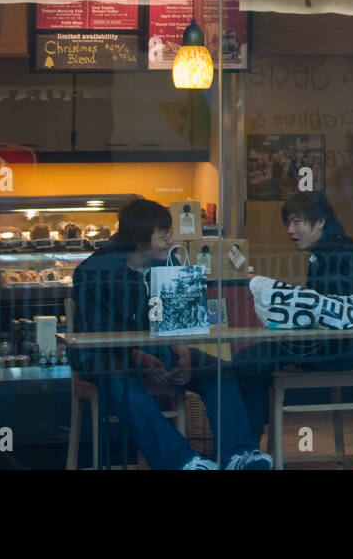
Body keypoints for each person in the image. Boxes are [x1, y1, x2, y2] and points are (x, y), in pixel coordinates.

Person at [71, 198, 272, 469]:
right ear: (140, 239)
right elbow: (97, 336)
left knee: (217, 370)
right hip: (107, 359)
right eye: (163, 235)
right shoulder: (93, 271)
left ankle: (239, 454)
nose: (170, 239)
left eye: (169, 233)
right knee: (120, 383)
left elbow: (180, 319)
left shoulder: (169, 260)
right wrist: (140, 358)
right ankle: (182, 462)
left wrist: (184, 355)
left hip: (158, 350)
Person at [281, 190, 353, 373]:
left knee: (251, 361)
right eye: (288, 222)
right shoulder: (327, 250)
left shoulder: (337, 255)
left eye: (297, 222)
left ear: (321, 222)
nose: (290, 230)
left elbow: (333, 318)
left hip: (344, 353)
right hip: (340, 349)